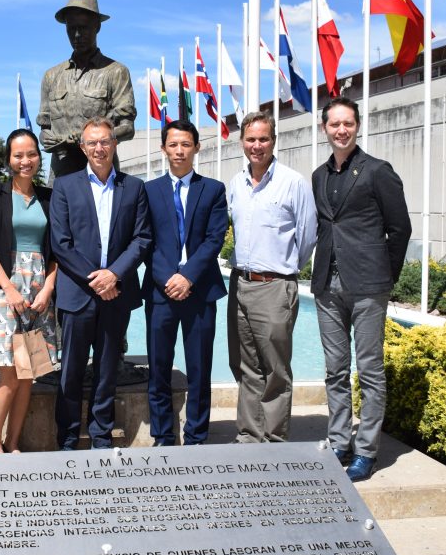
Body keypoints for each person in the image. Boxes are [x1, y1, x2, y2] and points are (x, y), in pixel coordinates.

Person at [312, 96, 411, 482]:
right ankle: (339, 440)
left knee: (369, 369)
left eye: (347, 123)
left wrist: (385, 276)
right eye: (334, 124)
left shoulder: (377, 171)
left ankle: (366, 450)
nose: (341, 130)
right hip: (327, 285)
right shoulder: (320, 176)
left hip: (368, 286)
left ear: (357, 126)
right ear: (325, 129)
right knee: (335, 370)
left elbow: (399, 229)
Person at [49, 117, 152, 449]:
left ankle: (100, 436)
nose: (98, 148)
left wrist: (114, 274)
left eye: (105, 141)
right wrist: (96, 279)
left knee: (107, 370)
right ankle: (66, 438)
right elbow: (61, 244)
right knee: (71, 372)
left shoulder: (133, 187)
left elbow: (141, 238)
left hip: (116, 293)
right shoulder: (65, 186)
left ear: (114, 145)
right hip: (77, 293)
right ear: (82, 147)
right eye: (92, 142)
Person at [226, 112, 317, 445]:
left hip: (274, 286)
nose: (257, 146)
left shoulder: (293, 183)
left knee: (275, 371)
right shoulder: (236, 183)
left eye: (263, 139)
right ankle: (250, 437)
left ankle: (274, 441)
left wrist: (284, 268)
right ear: (242, 143)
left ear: (273, 141)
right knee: (246, 367)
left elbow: (307, 238)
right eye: (251, 139)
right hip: (240, 284)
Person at [143, 121, 228, 446]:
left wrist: (187, 275)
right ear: (164, 148)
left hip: (200, 291)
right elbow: (145, 240)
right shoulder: (149, 191)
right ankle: (163, 434)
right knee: (159, 368)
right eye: (173, 144)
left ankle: (196, 436)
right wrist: (168, 278)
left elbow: (214, 238)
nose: (179, 150)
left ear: (196, 148)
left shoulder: (213, 189)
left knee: (199, 368)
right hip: (161, 293)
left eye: (186, 144)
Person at [0, 129, 58, 454]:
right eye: (18, 155)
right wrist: (9, 289)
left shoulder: (49, 198)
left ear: (39, 157)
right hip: (2, 290)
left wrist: (48, 288)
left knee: (27, 374)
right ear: (9, 159)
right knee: (9, 373)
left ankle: (13, 443)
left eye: (31, 154)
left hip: (37, 292)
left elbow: (56, 252)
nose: (25, 160)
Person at [38, 0, 136, 180]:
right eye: (71, 28)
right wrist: (47, 139)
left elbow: (127, 128)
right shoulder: (51, 76)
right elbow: (44, 128)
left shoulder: (115, 72)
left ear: (97, 26)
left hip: (101, 174)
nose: (76, 35)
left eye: (83, 28)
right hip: (60, 176)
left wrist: (90, 140)